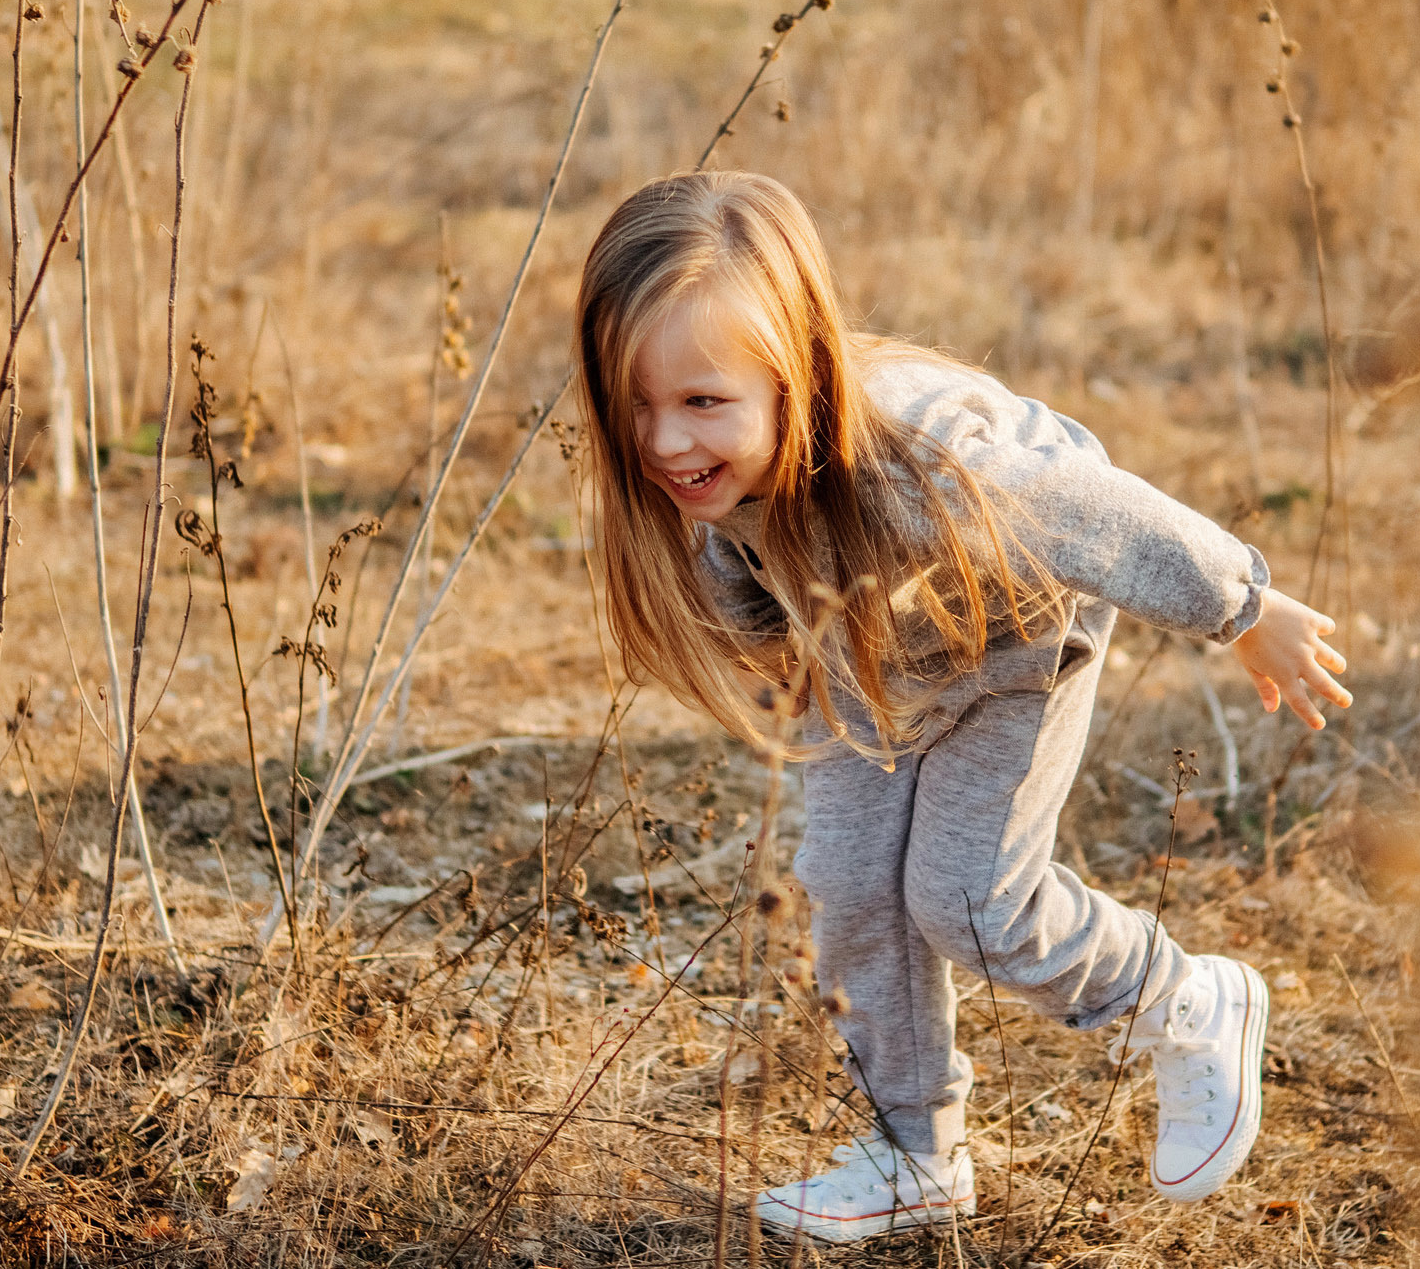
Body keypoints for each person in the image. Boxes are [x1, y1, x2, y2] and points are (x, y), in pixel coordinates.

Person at [573, 171, 1350, 1244]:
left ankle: (1185, 996)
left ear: (795, 379)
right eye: (639, 406)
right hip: (868, 646)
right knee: (845, 882)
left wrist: (1242, 605)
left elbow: (1097, 513)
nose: (664, 443)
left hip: (1012, 628)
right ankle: (915, 1150)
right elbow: (747, 592)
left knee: (970, 900)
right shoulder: (709, 494)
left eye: (703, 402)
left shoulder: (922, 475)